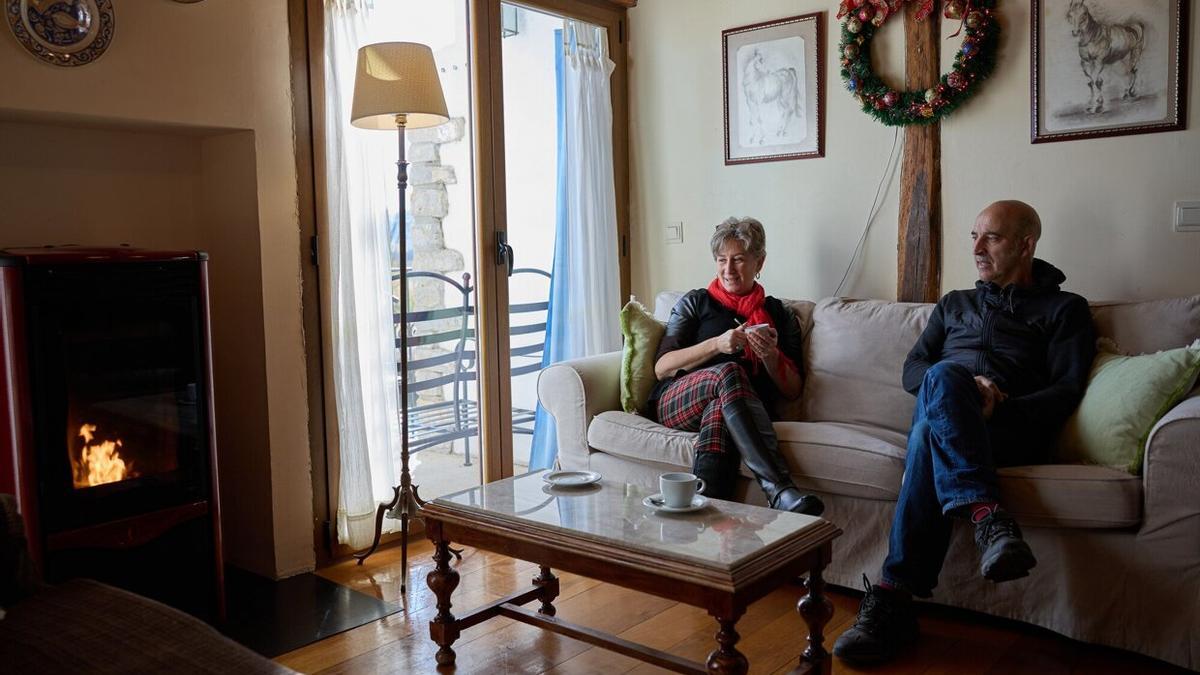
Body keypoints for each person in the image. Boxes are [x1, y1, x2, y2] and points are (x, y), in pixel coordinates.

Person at [833, 200, 1097, 664]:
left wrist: (1003, 403)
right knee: (942, 377)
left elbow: (1067, 389)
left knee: (927, 436)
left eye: (991, 237)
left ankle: (891, 600)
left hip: (1008, 429)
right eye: (973, 236)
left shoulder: (1064, 309)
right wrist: (957, 383)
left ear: (1026, 244)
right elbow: (914, 368)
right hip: (946, 411)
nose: (976, 247)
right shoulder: (955, 303)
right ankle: (988, 518)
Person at [650, 217, 823, 515]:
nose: (728, 269)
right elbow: (663, 367)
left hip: (736, 409)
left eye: (739, 259)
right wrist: (717, 345)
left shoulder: (778, 314)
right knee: (730, 371)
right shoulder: (695, 303)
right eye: (722, 260)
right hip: (679, 400)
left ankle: (702, 515)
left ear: (760, 262)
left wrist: (770, 356)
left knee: (720, 410)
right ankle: (779, 489)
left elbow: (793, 391)